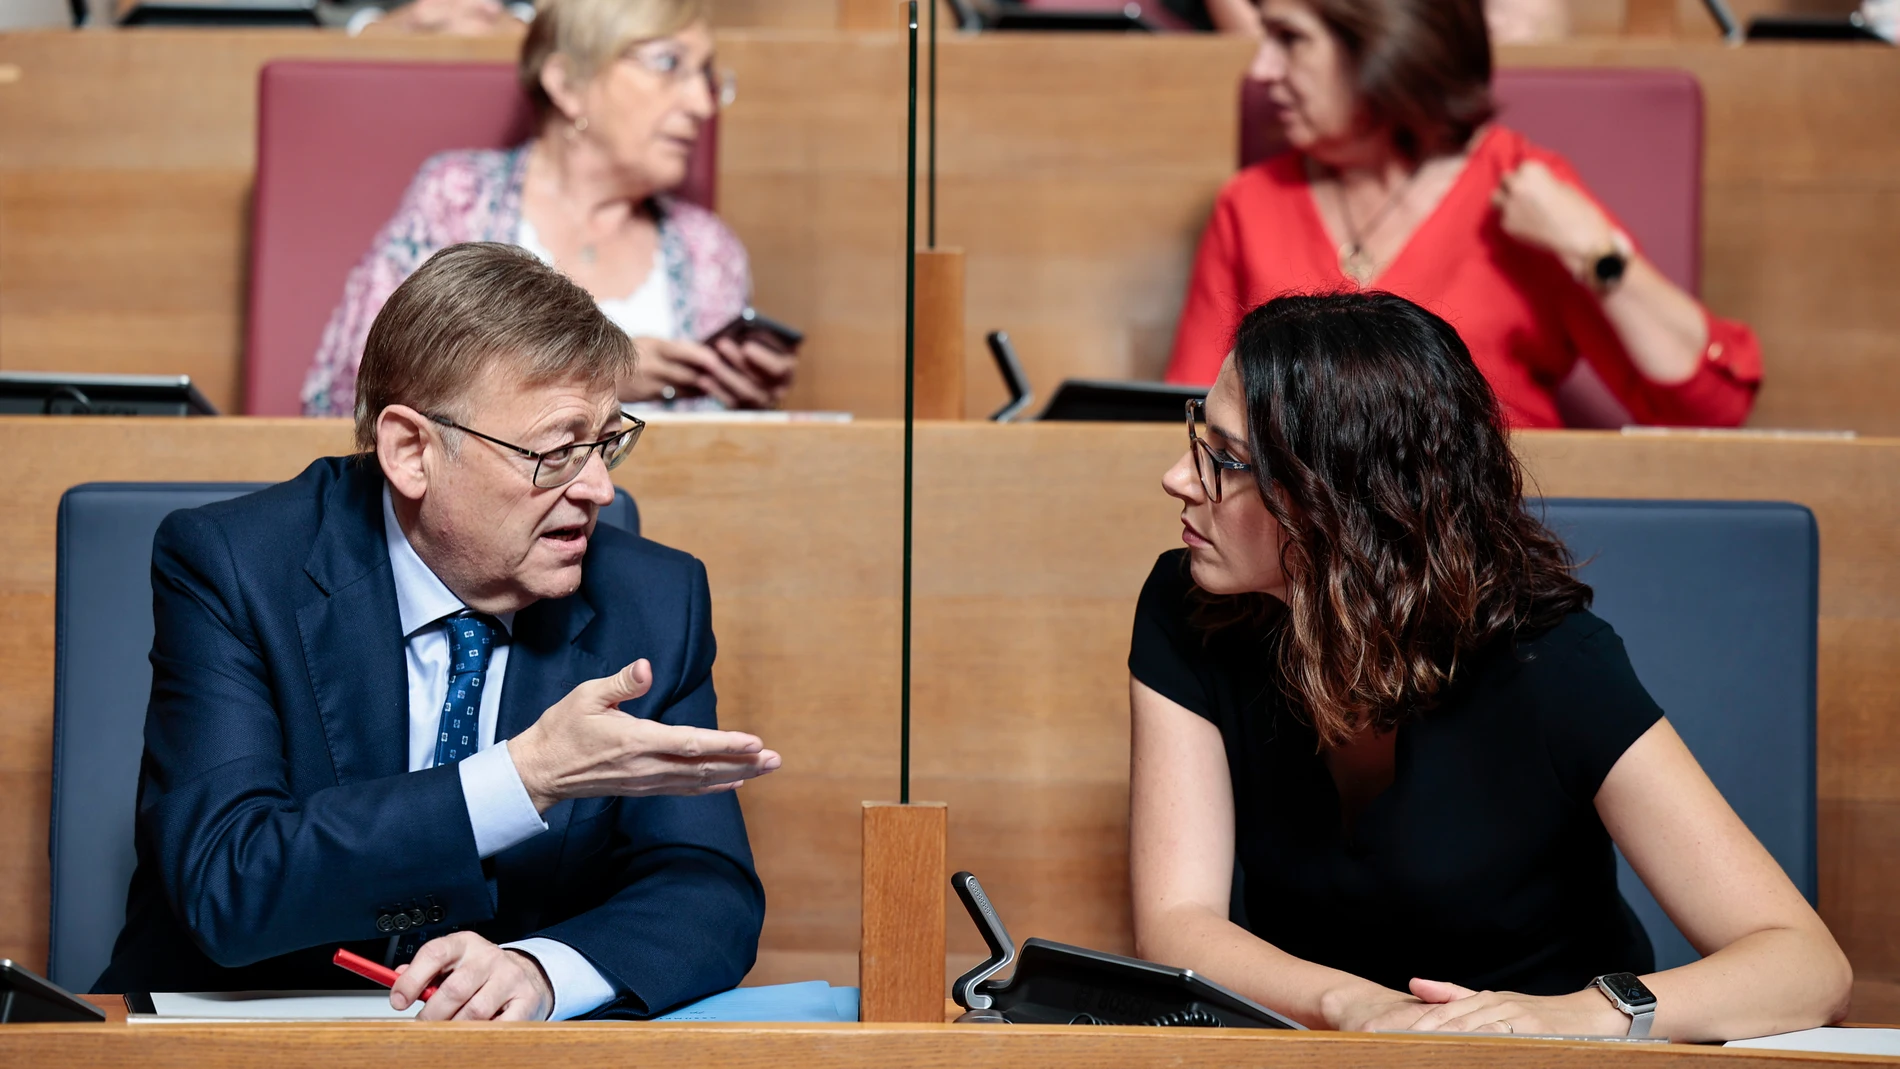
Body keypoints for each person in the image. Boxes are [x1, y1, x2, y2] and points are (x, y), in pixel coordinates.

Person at [1129, 292, 1850, 1040]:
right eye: (1200, 439)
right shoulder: (1187, 608)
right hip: (1329, 1052)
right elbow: (1178, 921)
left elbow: (1808, 966)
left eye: (1227, 460)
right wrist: (1358, 1006)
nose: (1179, 478)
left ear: (1337, 500)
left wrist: (1567, 1017)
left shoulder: (1552, 660)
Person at [100, 243, 782, 1021]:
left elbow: (706, 889)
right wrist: (521, 777)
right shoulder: (237, 567)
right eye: (558, 451)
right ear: (411, 451)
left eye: (607, 440)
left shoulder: (654, 600)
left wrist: (542, 971)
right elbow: (229, 882)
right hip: (230, 1034)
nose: (599, 487)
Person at [1166, 0, 1760, 429]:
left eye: (1290, 39)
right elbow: (1195, 418)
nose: (1261, 70)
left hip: (1493, 550)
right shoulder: (1249, 203)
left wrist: (1592, 250)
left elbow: (1709, 406)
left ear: (1385, 44)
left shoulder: (1520, 188)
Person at [304, 0, 796, 418]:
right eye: (669, 64)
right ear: (567, 83)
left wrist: (743, 399)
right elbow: (354, 389)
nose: (702, 104)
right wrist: (597, 377)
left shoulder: (708, 248)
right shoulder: (457, 199)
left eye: (706, 76)